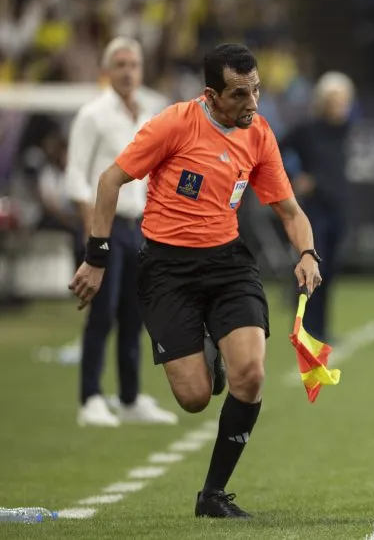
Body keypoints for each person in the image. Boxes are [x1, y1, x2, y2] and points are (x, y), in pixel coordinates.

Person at [68, 43, 323, 519]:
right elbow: (108, 182)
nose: (253, 104)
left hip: (228, 265)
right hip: (167, 270)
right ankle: (209, 343)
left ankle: (213, 495)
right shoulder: (174, 124)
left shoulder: (259, 134)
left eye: (257, 90)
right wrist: (96, 258)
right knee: (193, 398)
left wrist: (306, 252)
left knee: (251, 375)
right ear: (211, 95)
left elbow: (289, 211)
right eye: (241, 94)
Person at [64, 37, 177, 427]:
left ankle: (129, 399)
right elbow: (77, 174)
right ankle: (90, 398)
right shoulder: (92, 115)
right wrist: (93, 230)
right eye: (121, 64)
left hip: (141, 226)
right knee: (103, 313)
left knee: (135, 314)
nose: (128, 71)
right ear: (107, 70)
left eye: (134, 64)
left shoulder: (151, 110)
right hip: (106, 226)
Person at [279, 71, 353, 341]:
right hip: (315, 210)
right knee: (313, 269)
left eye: (344, 100)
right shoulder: (308, 130)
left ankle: (321, 328)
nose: (340, 106)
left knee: (330, 272)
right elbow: (276, 150)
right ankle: (306, 327)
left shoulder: (345, 130)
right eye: (335, 100)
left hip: (338, 208)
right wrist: (295, 177)